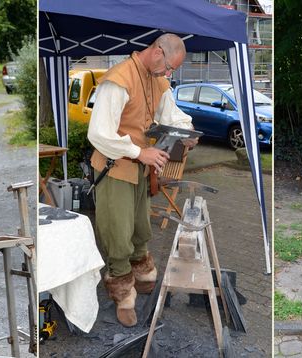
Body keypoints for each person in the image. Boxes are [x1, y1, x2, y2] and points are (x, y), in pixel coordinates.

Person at [87, 33, 196, 327]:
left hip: (141, 166)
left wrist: (187, 133)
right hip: (114, 167)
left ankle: (141, 270)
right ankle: (122, 292)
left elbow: (171, 114)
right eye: (170, 67)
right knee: (117, 230)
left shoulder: (157, 78)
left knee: (139, 224)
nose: (170, 74)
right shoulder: (118, 79)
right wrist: (139, 152)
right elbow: (98, 134)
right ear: (158, 52)